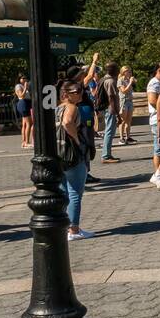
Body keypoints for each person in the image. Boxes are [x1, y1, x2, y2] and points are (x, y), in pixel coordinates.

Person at [58, 80, 96, 239]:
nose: (81, 93)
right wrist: (77, 140)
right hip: (73, 154)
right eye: (76, 91)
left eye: (81, 90)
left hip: (59, 154)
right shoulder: (71, 107)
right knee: (75, 193)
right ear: (66, 94)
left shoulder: (56, 109)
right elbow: (67, 122)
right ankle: (74, 230)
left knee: (64, 192)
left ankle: (64, 227)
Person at [97, 62, 121, 164]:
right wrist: (117, 113)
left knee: (109, 131)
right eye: (116, 68)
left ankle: (107, 154)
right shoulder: (110, 81)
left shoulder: (103, 79)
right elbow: (111, 98)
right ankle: (106, 156)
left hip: (106, 109)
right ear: (112, 70)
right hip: (110, 109)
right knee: (109, 132)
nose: (118, 70)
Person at [116, 66, 135, 145]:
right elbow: (123, 91)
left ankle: (128, 137)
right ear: (124, 72)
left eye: (130, 71)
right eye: (128, 71)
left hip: (130, 101)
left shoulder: (128, 79)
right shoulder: (120, 80)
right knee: (123, 121)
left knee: (129, 121)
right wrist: (130, 82)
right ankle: (121, 138)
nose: (130, 73)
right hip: (123, 102)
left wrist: (131, 82)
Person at [14, 75, 33, 148]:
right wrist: (25, 88)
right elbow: (21, 96)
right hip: (23, 103)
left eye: (26, 78)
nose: (25, 79)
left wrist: (26, 88)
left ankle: (24, 142)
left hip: (27, 103)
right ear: (19, 79)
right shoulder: (18, 86)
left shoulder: (24, 86)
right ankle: (27, 142)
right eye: (23, 78)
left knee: (25, 124)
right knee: (29, 123)